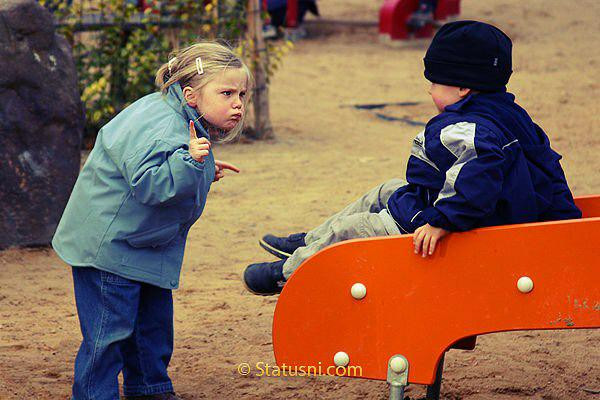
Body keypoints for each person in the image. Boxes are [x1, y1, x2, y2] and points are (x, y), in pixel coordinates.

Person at [243, 20, 581, 296]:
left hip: (457, 227)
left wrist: (442, 220)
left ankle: (289, 273)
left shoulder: (472, 130)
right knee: (385, 191)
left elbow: (478, 179)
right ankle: (310, 242)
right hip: (456, 208)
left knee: (355, 228)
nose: (429, 90)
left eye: (434, 83)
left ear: (463, 87)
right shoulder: (505, 114)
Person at [52, 42, 251, 400]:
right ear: (191, 95)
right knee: (108, 334)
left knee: (151, 325)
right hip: (110, 249)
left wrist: (201, 169)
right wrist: (190, 165)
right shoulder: (163, 126)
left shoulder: (179, 117)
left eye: (241, 94)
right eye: (226, 93)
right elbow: (149, 183)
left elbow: (165, 166)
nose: (237, 103)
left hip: (140, 243)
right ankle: (95, 395)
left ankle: (149, 389)